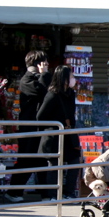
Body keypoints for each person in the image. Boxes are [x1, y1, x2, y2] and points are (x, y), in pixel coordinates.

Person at [9, 50, 51, 201]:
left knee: (41, 159)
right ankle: (14, 191)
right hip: (29, 125)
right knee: (27, 159)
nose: (46, 65)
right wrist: (43, 75)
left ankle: (46, 193)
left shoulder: (44, 77)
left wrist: (44, 75)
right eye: (43, 62)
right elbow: (43, 92)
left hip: (41, 125)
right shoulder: (26, 80)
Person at [36, 65, 82, 199]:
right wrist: (56, 125)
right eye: (71, 76)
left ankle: (69, 192)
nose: (74, 79)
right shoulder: (52, 94)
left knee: (75, 162)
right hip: (54, 136)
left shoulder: (71, 94)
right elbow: (40, 116)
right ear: (64, 78)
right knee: (54, 166)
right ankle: (53, 194)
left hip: (68, 135)